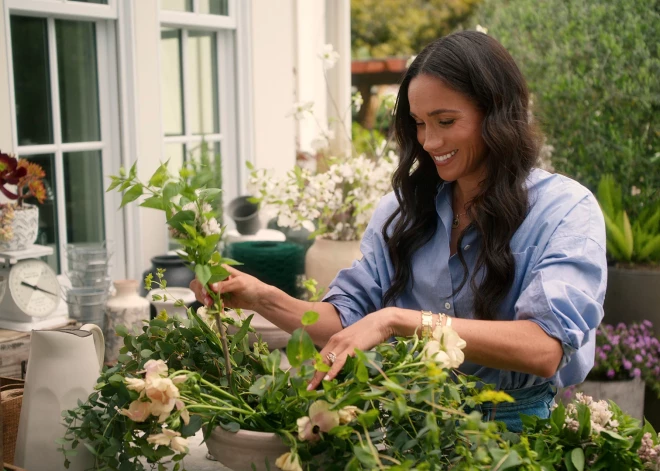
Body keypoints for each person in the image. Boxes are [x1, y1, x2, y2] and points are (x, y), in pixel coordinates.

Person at [190, 30, 607, 432]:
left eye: (445, 120)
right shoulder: (403, 212)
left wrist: (398, 321)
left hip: (514, 440)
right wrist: (261, 297)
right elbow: (346, 321)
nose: (428, 141)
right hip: (408, 430)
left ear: (497, 114)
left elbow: (544, 349)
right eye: (419, 123)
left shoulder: (565, 210)